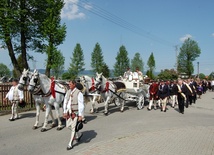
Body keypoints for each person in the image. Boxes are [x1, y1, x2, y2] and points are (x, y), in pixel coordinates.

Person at [63, 80, 85, 150]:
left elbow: (81, 104)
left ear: (74, 84)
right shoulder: (68, 92)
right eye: (68, 84)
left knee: (73, 128)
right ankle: (79, 134)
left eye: (70, 84)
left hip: (75, 113)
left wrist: (80, 115)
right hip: (69, 112)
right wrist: (64, 111)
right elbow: (65, 102)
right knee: (67, 126)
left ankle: (70, 143)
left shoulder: (79, 93)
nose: (69, 85)